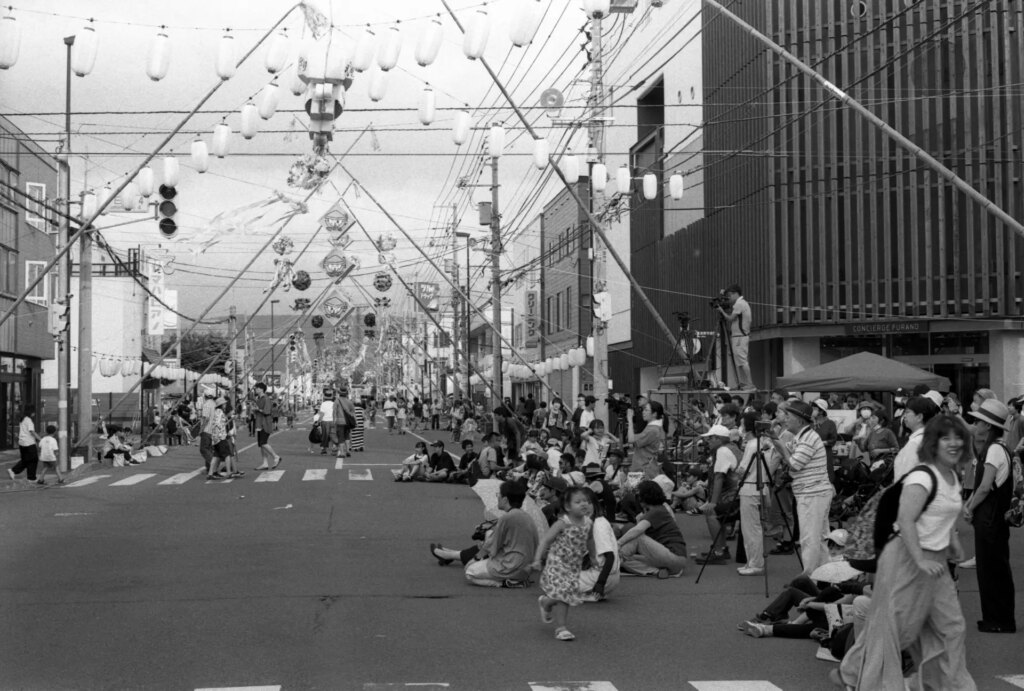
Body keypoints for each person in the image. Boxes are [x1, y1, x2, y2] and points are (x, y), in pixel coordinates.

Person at [836, 415, 975, 690]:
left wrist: (951, 543)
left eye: (958, 437)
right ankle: (857, 676)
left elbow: (939, 515)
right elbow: (906, 519)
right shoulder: (923, 476)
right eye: (945, 438)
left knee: (951, 627)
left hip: (933, 560)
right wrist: (921, 559)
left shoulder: (953, 475)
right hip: (907, 558)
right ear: (933, 443)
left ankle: (947, 684)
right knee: (898, 628)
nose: (953, 443)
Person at [963, 398, 1017, 633]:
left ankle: (999, 620)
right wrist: (970, 502)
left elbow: (985, 487)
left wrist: (970, 507)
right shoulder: (999, 447)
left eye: (979, 421)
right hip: (993, 519)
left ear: (988, 426)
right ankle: (997, 618)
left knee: (992, 571)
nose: (976, 424)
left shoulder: (994, 449)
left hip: (990, 519)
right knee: (994, 569)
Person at [431, 480, 540, 588]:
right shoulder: (526, 516)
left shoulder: (507, 518)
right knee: (488, 536)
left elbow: (491, 543)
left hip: (511, 565)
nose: (497, 497)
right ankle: (451, 555)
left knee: (470, 572)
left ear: (505, 499)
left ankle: (504, 583)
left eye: (499, 495)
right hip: (525, 567)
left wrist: (475, 559)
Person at [768, 400, 834, 575]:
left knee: (809, 538)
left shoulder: (808, 438)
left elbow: (794, 463)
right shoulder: (802, 437)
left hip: (813, 493)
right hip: (814, 493)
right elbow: (785, 453)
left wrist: (778, 443)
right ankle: (823, 577)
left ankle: (809, 577)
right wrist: (775, 438)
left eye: (788, 416)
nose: (785, 420)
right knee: (818, 538)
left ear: (799, 420)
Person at [533, 486, 594, 641]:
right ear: (567, 507)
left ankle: (546, 602)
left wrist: (593, 557)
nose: (583, 504)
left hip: (574, 565)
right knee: (564, 595)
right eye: (578, 501)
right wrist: (537, 558)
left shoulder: (588, 523)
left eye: (586, 501)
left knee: (564, 593)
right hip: (557, 562)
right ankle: (561, 628)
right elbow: (546, 540)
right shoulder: (563, 523)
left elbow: (589, 540)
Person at [617, 480, 688, 577]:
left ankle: (613, 558)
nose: (638, 498)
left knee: (637, 537)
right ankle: (656, 571)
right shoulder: (657, 510)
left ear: (646, 496)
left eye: (640, 495)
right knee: (625, 559)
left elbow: (637, 530)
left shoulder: (656, 511)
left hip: (674, 557)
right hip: (673, 559)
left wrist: (618, 543)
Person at [696, 424, 742, 565]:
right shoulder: (732, 448)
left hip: (737, 498)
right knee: (715, 513)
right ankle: (721, 548)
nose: (707, 442)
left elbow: (719, 477)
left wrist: (713, 502)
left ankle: (719, 552)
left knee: (711, 512)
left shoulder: (722, 450)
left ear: (719, 439)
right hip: (740, 496)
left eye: (710, 439)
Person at [579, 487, 619, 601]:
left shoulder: (598, 525)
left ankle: (591, 594)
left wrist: (600, 583)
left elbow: (610, 556)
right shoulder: (591, 522)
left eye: (589, 503)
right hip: (603, 574)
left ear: (595, 504)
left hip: (603, 576)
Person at [715, 283, 754, 390]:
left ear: (735, 294)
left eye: (730, 296)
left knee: (742, 361)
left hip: (740, 337)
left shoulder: (739, 304)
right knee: (740, 362)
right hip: (739, 336)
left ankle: (749, 384)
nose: (729, 299)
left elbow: (730, 318)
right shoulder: (742, 303)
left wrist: (721, 311)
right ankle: (744, 383)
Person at [893, 395, 940, 482]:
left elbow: (905, 477)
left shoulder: (915, 443)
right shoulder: (932, 438)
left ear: (919, 417)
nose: (904, 416)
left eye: (907, 412)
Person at [626, 400, 667, 479]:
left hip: (644, 468)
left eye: (646, 410)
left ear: (654, 414)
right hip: (644, 466)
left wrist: (630, 420)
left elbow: (631, 439)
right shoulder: (651, 428)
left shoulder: (652, 430)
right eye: (643, 410)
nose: (643, 412)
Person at [253, 382, 282, 471]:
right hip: (259, 423)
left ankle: (276, 457)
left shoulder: (265, 398)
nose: (256, 390)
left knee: (263, 442)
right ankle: (265, 463)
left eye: (257, 388)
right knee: (261, 444)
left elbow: (266, 411)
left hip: (265, 423)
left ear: (261, 389)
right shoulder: (259, 398)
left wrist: (257, 409)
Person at [8, 404, 41, 482]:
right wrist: (40, 439)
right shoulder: (28, 420)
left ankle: (14, 471)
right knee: (33, 459)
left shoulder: (23, 419)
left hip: (22, 443)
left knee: (26, 459)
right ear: (31, 412)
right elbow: (32, 431)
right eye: (34, 412)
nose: (35, 413)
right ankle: (31, 478)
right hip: (28, 443)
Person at [198, 389, 217, 474]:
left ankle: (213, 463)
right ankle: (209, 468)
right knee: (209, 448)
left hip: (207, 430)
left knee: (204, 449)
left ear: (205, 396)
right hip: (214, 429)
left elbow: (206, 418)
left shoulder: (206, 405)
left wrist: (201, 429)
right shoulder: (214, 404)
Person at [335, 388, 357, 458]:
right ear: (346, 394)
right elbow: (353, 412)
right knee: (347, 436)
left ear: (339, 393)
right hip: (348, 422)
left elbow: (334, 412)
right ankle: (348, 450)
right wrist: (353, 419)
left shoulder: (337, 401)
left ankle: (342, 453)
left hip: (340, 421)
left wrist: (333, 421)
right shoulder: (349, 402)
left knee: (341, 437)